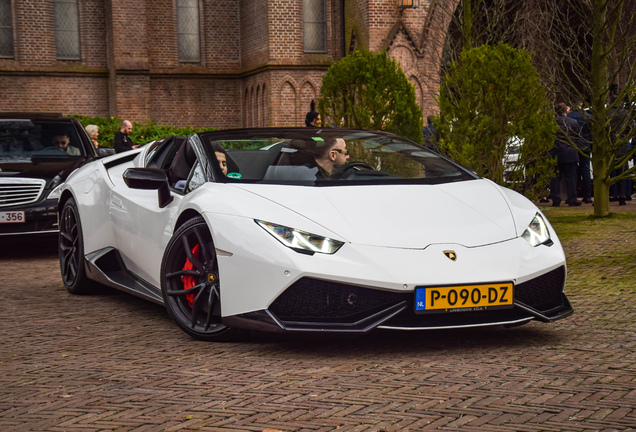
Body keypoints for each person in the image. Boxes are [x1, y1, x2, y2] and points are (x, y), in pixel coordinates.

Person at [550, 102, 581, 206]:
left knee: (555, 179)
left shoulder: (552, 123)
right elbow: (577, 137)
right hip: (570, 153)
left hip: (555, 153)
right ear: (566, 110)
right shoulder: (573, 122)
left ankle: (556, 199)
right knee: (571, 179)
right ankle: (572, 199)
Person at [567, 99, 593, 203]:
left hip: (573, 145)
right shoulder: (588, 117)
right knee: (586, 170)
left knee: (572, 171)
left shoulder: (569, 117)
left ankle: (573, 195)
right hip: (585, 144)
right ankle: (587, 195)